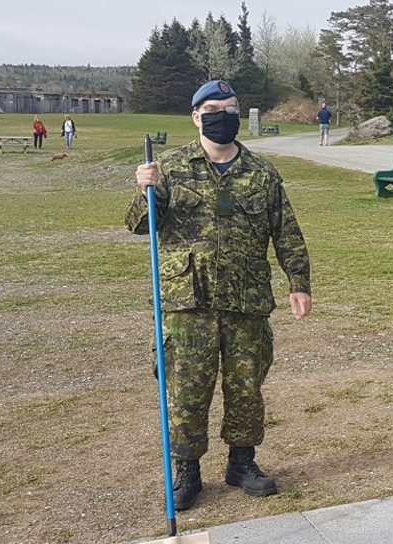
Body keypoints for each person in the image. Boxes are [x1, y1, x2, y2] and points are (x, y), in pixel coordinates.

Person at [125, 80, 313, 510]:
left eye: (230, 109)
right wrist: (144, 190)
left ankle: (242, 463)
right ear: (196, 116)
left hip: (246, 298)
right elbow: (139, 226)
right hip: (187, 300)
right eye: (213, 108)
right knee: (187, 389)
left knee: (246, 386)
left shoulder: (262, 173)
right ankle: (187, 471)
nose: (222, 116)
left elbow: (286, 232)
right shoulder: (168, 168)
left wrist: (298, 284)